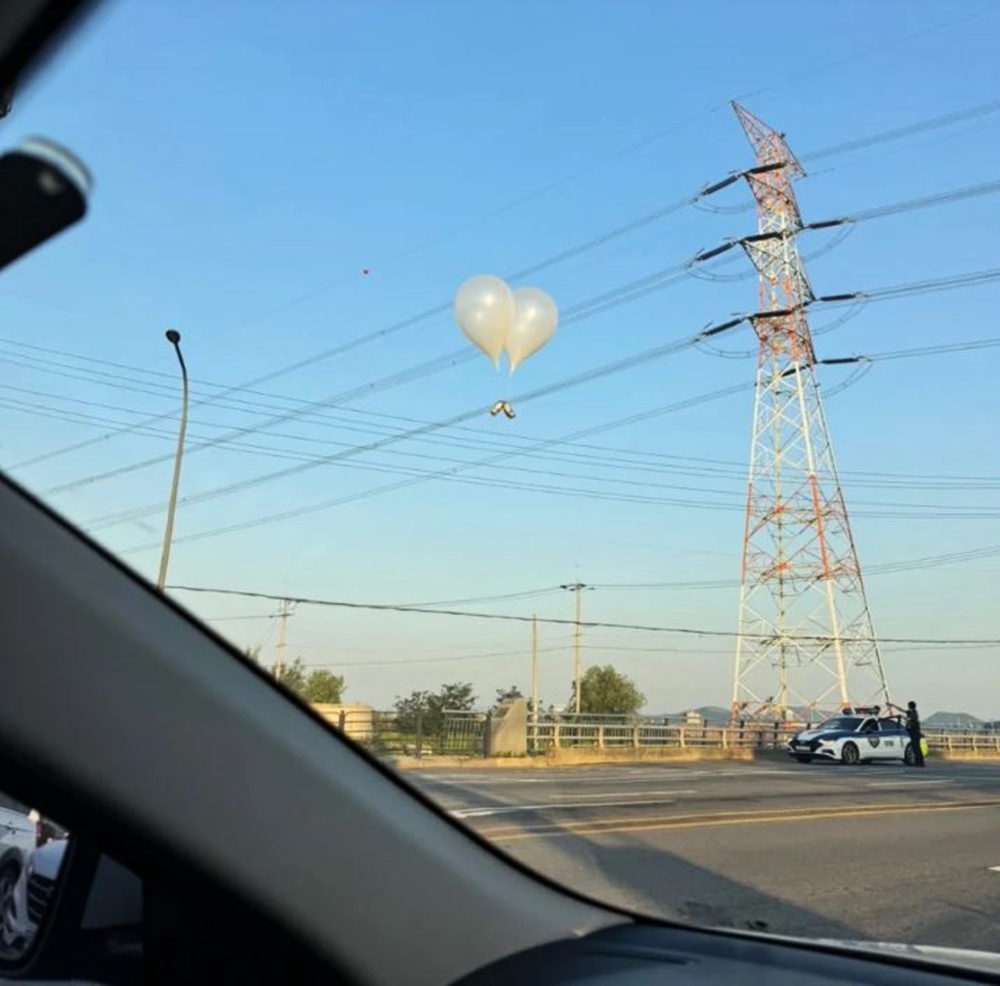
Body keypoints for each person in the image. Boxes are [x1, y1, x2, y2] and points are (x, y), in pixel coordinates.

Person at [905, 700, 925, 767]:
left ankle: (920, 762)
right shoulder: (912, 712)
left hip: (915, 733)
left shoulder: (914, 713)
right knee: (915, 747)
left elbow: (911, 721)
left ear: (910, 706)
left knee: (916, 747)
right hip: (914, 733)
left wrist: (907, 720)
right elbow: (902, 711)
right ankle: (919, 761)